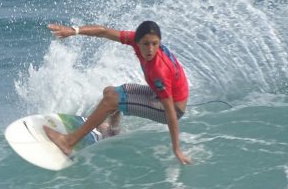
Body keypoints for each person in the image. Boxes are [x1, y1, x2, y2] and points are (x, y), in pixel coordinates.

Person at [44, 20, 192, 165]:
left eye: (155, 44)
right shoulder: (134, 39)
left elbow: (170, 112)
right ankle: (112, 132)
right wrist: (74, 31)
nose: (151, 49)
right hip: (158, 94)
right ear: (138, 41)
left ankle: (68, 142)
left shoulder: (160, 69)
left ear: (159, 42)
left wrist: (176, 149)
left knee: (111, 101)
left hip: (171, 108)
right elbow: (104, 31)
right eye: (146, 44)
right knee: (109, 92)